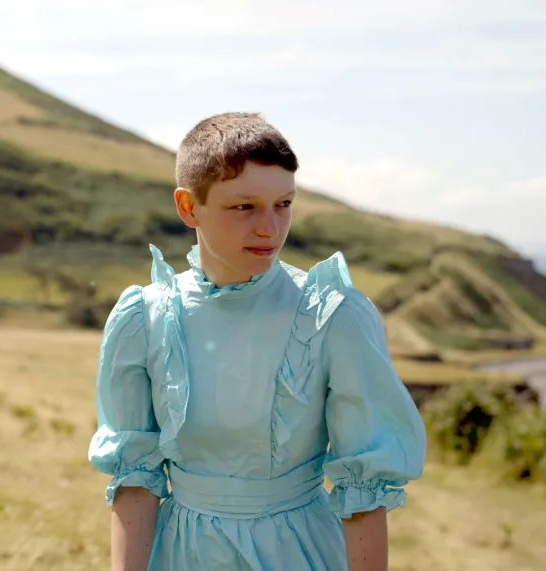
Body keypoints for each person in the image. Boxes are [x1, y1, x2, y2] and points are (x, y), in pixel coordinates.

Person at [88, 112, 427, 571]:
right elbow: (135, 481)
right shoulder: (143, 319)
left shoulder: (333, 314)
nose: (270, 228)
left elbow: (363, 488)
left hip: (301, 553)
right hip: (180, 556)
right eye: (244, 207)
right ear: (189, 208)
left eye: (283, 204)